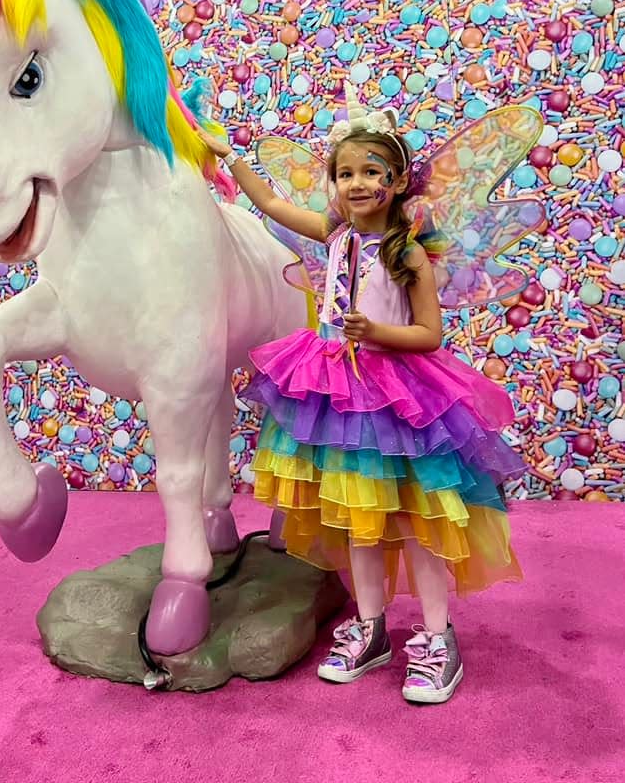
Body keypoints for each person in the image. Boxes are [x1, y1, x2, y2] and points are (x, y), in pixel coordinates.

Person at [201, 89, 526, 704]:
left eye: (371, 172)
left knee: (415, 518)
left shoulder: (408, 252)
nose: (356, 184)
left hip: (399, 397)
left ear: (397, 181)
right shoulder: (334, 233)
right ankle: (371, 625)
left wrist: (377, 333)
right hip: (336, 392)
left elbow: (429, 334)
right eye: (345, 173)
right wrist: (230, 155)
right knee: (357, 520)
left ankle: (435, 636)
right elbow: (270, 201)